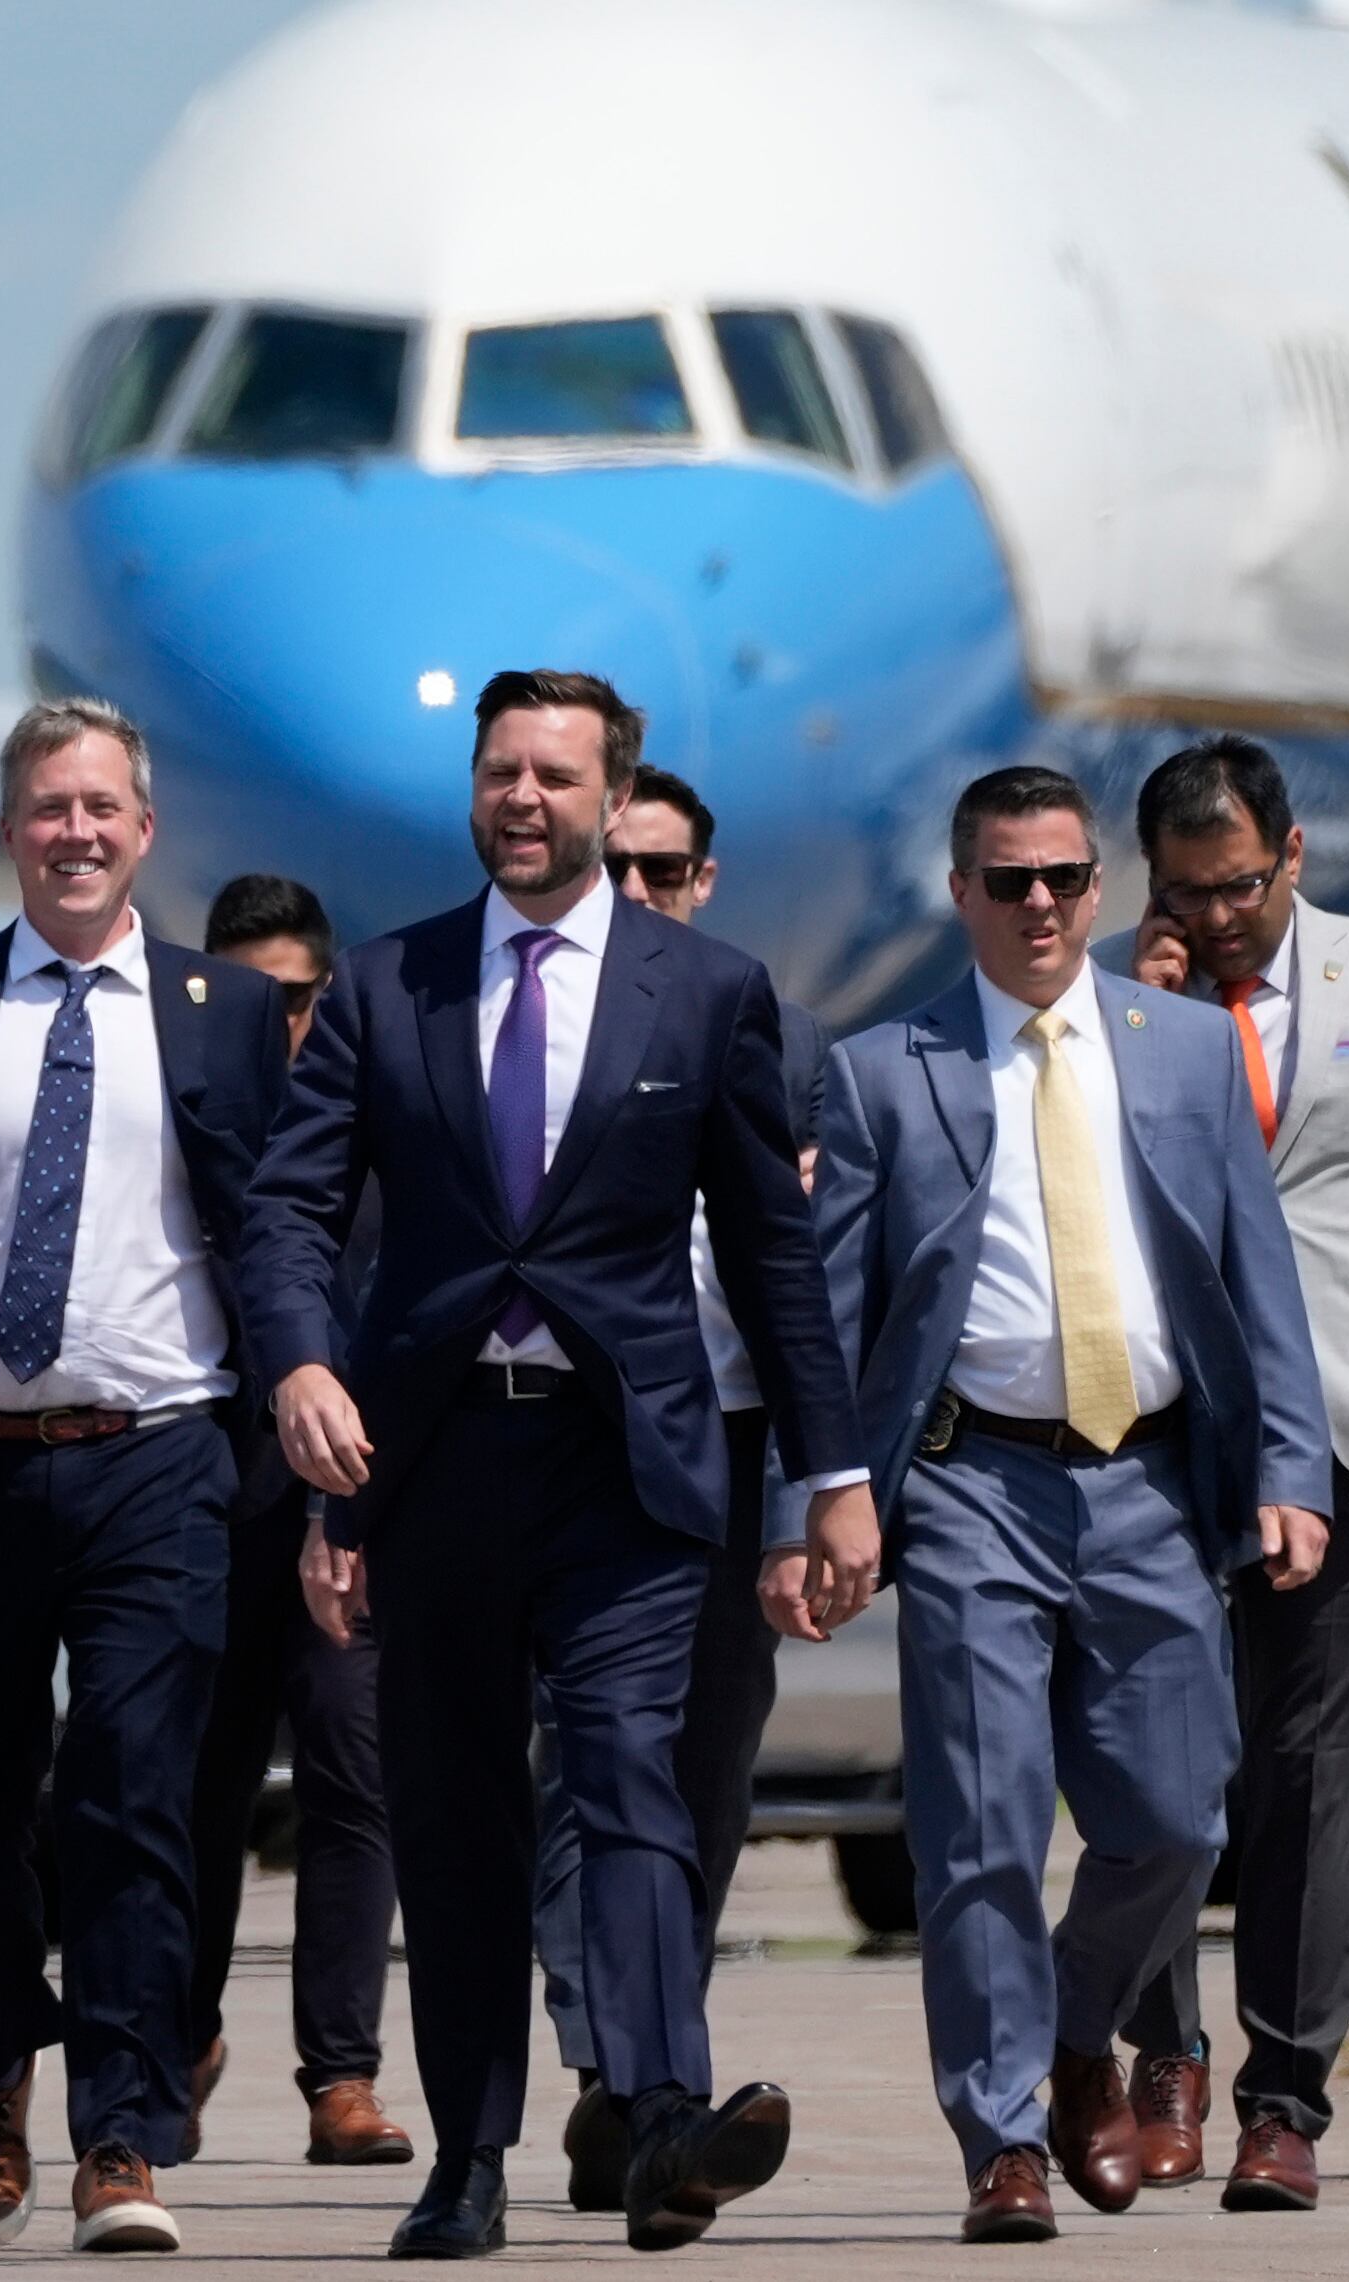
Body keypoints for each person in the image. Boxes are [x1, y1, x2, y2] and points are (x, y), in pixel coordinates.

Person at [243, 669, 860, 2258]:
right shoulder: (389, 987)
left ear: (610, 794)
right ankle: (470, 2151)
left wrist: (830, 1471)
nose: (524, 797)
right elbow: (290, 1210)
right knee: (455, 1819)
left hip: (629, 1461)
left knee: (631, 1772)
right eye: (499, 770)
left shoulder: (707, 990)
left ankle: (660, 2107)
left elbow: (777, 1257)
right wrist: (304, 1363)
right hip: (435, 1460)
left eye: (555, 775)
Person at [789, 763, 1332, 2241]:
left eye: (1065, 879)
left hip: (1152, 1477)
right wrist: (821, 1497)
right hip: (974, 1481)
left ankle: (1073, 2028)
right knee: (978, 1828)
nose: (1040, 905)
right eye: (1009, 880)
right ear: (959, 892)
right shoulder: (881, 1068)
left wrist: (1291, 1467)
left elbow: (1254, 1281)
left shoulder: (1183, 1051)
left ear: (1101, 891)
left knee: (1175, 1814)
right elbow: (827, 1327)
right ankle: (1002, 2139)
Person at [0, 698, 294, 2253]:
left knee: (132, 1797)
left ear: (144, 831)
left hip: (158, 1458)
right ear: (9, 829)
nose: (77, 832)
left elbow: (274, 1233)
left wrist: (306, 1393)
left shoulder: (225, 1010)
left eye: (102, 806)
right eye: (49, 807)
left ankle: (120, 2132)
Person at [1095, 734, 1349, 2211]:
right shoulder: (1120, 1002)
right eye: (1191, 891)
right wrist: (1146, 1007)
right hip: (1163, 1431)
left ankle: (1283, 2093)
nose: (1219, 916)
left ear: (1292, 858)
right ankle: (1165, 2056)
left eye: (1243, 885)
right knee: (1157, 1762)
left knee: (1312, 1769)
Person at [532, 763, 832, 2212]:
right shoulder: (522, 1036)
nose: (641, 892)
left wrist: (801, 1503)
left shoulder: (768, 1034)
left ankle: (635, 2068)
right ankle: (630, 2072)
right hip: (567, 1447)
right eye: (621, 866)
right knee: (586, 1777)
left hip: (720, 1455)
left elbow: (807, 1298)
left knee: (698, 1781)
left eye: (666, 872)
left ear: (702, 882)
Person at [180, 871, 416, 2169]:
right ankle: (180, 2038)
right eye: (249, 998)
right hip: (201, 1505)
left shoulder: (379, 1127)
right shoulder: (176, 1121)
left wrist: (366, 1496)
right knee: (194, 1788)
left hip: (344, 1503)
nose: (280, 1023)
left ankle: (342, 2072)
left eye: (303, 998)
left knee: (351, 1772)